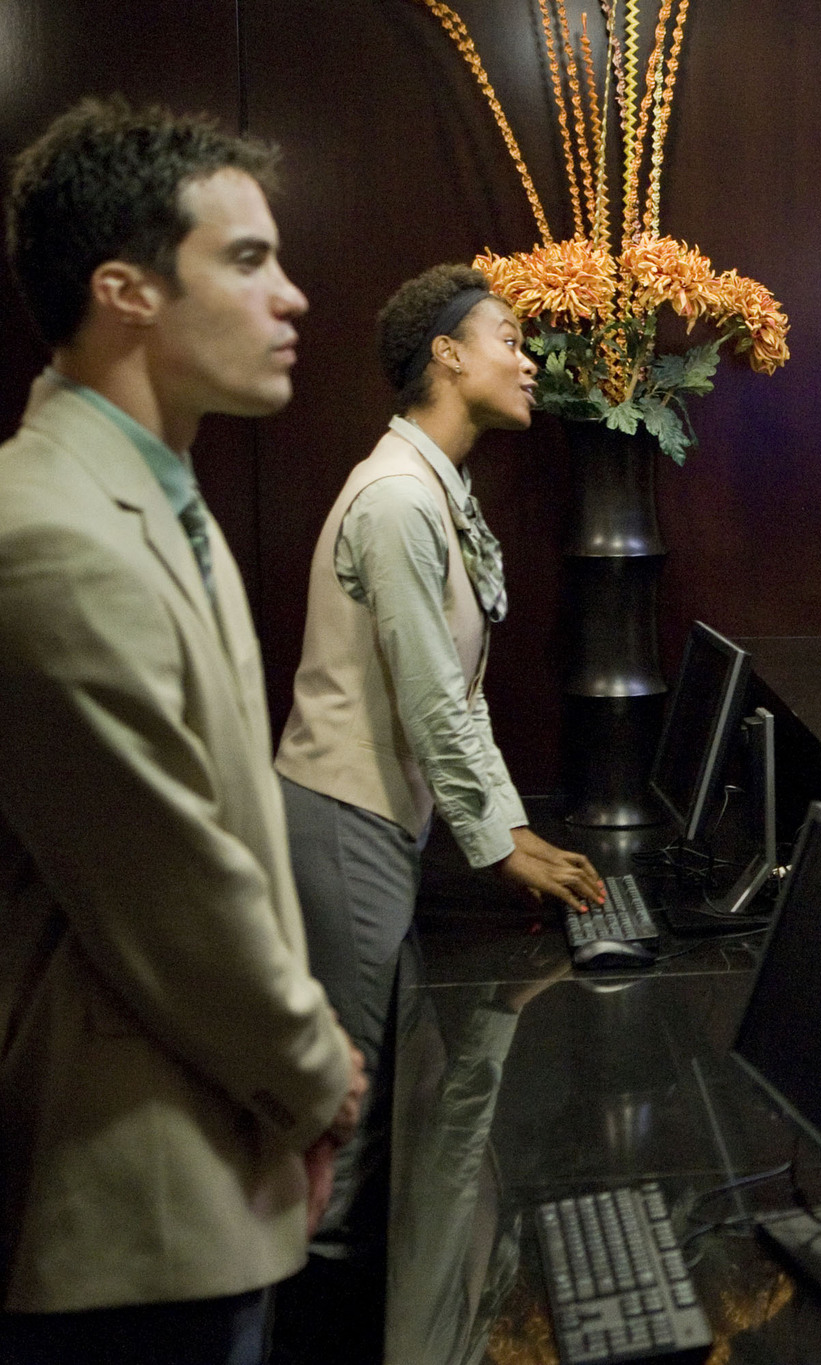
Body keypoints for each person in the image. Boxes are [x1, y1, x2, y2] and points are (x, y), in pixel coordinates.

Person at [0, 98, 364, 1364]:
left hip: (214, 1133)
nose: (294, 299)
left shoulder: (158, 491)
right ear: (127, 292)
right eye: (249, 260)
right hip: (127, 1193)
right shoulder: (49, 534)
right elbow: (174, 884)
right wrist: (319, 1072)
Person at [268, 264, 603, 1361]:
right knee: (345, 1132)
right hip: (341, 824)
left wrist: (508, 828)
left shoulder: (430, 486)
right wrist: (502, 843)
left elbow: (453, 702)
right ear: (447, 356)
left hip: (377, 824)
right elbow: (427, 697)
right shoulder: (401, 498)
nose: (529, 358)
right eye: (509, 337)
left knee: (380, 1124)